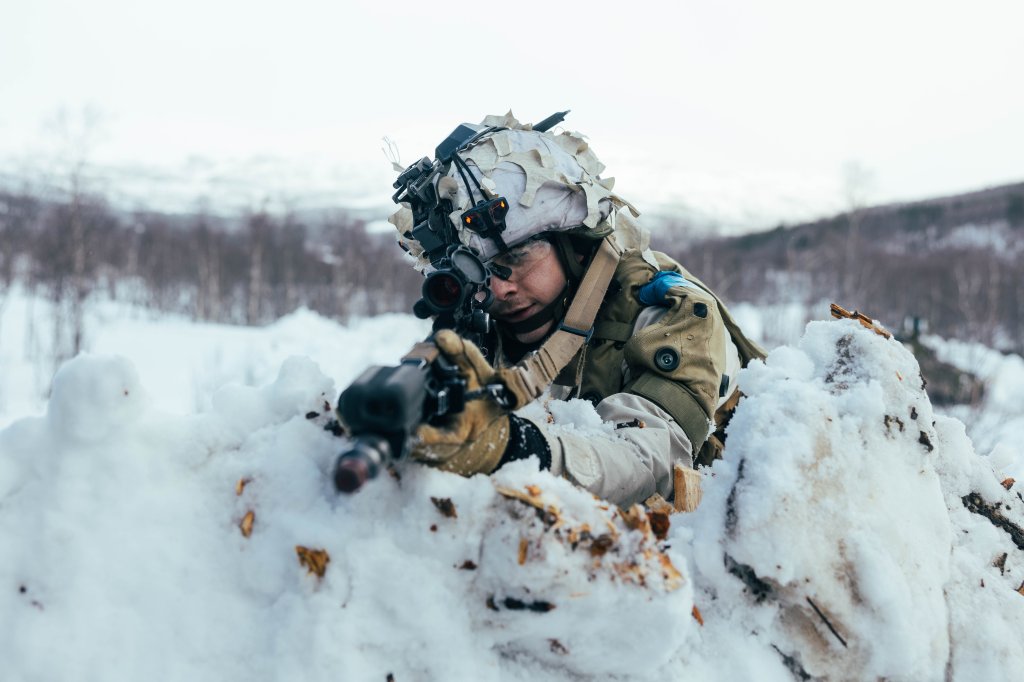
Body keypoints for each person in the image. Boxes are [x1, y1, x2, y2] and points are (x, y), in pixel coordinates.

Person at [389, 112, 765, 508]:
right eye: (479, 274)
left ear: (574, 245)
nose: (500, 288)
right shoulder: (488, 325)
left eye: (518, 257)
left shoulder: (668, 310)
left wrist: (513, 449)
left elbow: (653, 460)